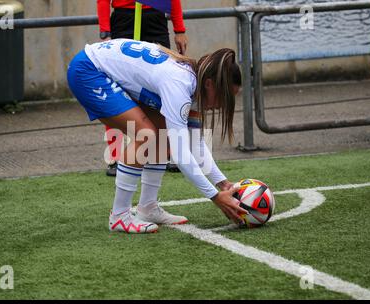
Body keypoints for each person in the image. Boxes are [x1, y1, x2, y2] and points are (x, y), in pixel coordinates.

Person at [67, 39, 249, 233]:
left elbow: (196, 143)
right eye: (224, 98)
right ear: (210, 84)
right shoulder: (179, 83)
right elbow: (181, 155)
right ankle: (119, 216)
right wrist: (214, 196)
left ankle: (147, 208)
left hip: (99, 66)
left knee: (163, 136)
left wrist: (224, 183)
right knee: (146, 135)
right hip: (88, 69)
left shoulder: (196, 84)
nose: (222, 105)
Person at [97, 0, 188, 176]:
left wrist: (180, 30)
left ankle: (165, 153)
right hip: (124, 20)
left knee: (161, 90)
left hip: (155, 18)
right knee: (117, 90)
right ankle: (115, 156)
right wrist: (105, 32)